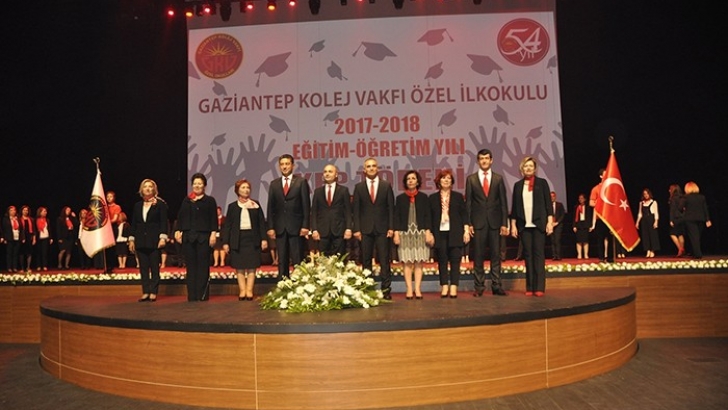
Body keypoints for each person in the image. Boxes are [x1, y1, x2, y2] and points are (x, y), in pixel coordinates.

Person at [465, 148, 509, 297]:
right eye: (481, 158)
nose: (484, 161)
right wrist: (469, 223)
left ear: (491, 160)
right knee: (478, 256)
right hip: (478, 223)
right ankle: (479, 286)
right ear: (478, 161)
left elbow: (503, 202)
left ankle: (496, 286)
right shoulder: (471, 179)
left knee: (496, 255)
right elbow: (468, 203)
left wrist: (504, 223)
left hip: (495, 222)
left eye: (486, 158)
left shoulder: (498, 178)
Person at [509, 157, 554, 297]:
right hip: (524, 225)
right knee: (528, 256)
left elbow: (548, 204)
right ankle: (530, 287)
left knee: (538, 255)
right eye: (525, 166)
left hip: (539, 224)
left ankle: (539, 287)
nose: (528, 168)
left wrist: (550, 222)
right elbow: (515, 207)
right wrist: (513, 225)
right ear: (522, 169)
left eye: (530, 166)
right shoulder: (518, 185)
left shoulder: (542, 183)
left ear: (535, 168)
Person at [352, 157, 395, 299]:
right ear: (364, 170)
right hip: (365, 229)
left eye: (373, 166)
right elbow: (356, 210)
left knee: (384, 260)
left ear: (377, 168)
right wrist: (357, 229)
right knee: (366, 260)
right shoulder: (359, 187)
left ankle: (386, 290)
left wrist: (391, 227)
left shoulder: (386, 185)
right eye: (368, 166)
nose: (371, 168)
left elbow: (391, 208)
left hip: (383, 228)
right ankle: (367, 289)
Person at [222, 179, 268, 301]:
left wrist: (264, 239)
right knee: (239, 266)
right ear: (237, 190)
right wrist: (225, 242)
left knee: (252, 265)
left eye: (248, 188)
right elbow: (228, 226)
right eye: (243, 187)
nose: (246, 190)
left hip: (252, 238)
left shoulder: (255, 204)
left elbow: (261, 223)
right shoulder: (232, 206)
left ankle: (249, 290)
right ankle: (242, 290)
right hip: (238, 238)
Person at [175, 173, 218, 301]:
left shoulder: (210, 200)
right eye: (195, 183)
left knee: (203, 266)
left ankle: (202, 295)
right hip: (189, 237)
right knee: (191, 266)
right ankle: (192, 295)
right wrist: (178, 230)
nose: (197, 186)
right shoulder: (187, 200)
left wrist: (213, 233)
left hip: (203, 237)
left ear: (204, 185)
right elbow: (181, 217)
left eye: (200, 183)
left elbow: (213, 219)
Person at [267, 154, 311, 279]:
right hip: (280, 227)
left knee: (297, 258)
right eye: (282, 164)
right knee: (282, 259)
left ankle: (299, 283)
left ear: (293, 166)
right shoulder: (274, 184)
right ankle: (283, 283)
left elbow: (306, 205)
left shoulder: (301, 182)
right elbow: (270, 207)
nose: (284, 167)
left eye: (287, 164)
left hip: (296, 227)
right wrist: (270, 227)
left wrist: (305, 226)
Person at [429, 169, 469, 298]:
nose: (446, 180)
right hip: (439, 232)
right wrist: (429, 233)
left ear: (452, 182)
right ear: (438, 181)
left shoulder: (458, 196)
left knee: (455, 260)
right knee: (442, 260)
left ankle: (454, 286)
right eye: (443, 178)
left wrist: (466, 230)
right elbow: (429, 218)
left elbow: (464, 214)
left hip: (455, 232)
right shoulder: (433, 198)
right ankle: (444, 285)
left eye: (449, 178)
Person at [393, 170, 433, 299]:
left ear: (417, 181)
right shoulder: (400, 198)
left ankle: (418, 289)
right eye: (408, 179)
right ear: (405, 182)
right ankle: (409, 289)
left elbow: (428, 216)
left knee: (419, 262)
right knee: (407, 262)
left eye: (413, 178)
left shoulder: (424, 197)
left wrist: (428, 232)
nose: (410, 181)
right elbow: (396, 217)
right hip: (405, 233)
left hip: (420, 233)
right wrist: (396, 233)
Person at [129, 179, 169, 302]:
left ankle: (154, 291)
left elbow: (163, 222)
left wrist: (163, 237)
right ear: (141, 190)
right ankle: (145, 291)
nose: (147, 188)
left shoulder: (160, 204)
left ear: (154, 189)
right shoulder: (137, 205)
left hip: (154, 240)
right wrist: (132, 239)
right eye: (145, 186)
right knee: (143, 268)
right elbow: (134, 224)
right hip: (141, 240)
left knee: (154, 267)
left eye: (150, 186)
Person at [310, 164, 352, 257]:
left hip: (339, 230)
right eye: (325, 172)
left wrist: (348, 228)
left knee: (339, 260)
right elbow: (314, 212)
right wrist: (314, 229)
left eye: (330, 171)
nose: (327, 174)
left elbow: (348, 211)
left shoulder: (343, 190)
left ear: (336, 175)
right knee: (323, 260)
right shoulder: (318, 191)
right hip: (322, 232)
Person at [590, 168, 614, 262]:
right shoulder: (596, 189)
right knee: (600, 239)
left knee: (610, 238)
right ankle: (601, 258)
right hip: (600, 218)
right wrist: (601, 203)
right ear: (601, 176)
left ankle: (610, 258)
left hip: (610, 218)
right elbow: (591, 203)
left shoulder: (611, 188)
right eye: (605, 174)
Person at [682, 181, 711, 259]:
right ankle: (694, 252)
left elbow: (680, 207)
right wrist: (708, 219)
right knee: (697, 236)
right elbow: (705, 209)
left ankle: (697, 254)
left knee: (694, 236)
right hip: (701, 218)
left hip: (690, 219)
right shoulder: (702, 197)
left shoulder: (686, 197)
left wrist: (684, 208)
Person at [634, 188, 660, 258]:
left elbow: (656, 213)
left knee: (652, 235)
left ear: (649, 194)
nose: (646, 195)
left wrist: (656, 221)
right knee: (645, 235)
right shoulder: (641, 203)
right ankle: (647, 250)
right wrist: (637, 222)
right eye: (644, 194)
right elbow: (640, 213)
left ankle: (652, 250)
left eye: (647, 194)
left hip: (651, 219)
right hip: (644, 220)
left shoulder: (653, 202)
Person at [2, 206, 22, 273]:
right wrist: (4, 238)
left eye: (14, 210)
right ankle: (9, 267)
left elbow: (21, 228)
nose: (13, 211)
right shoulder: (6, 219)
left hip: (17, 237)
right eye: (11, 210)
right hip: (9, 238)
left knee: (16, 253)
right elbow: (4, 229)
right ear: (8, 211)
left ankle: (14, 267)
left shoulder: (17, 218)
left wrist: (22, 237)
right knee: (9, 253)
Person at [668, 183, 686, 257]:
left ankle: (680, 249)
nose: (669, 190)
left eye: (670, 189)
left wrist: (671, 220)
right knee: (680, 234)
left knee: (672, 234)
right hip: (682, 218)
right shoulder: (683, 197)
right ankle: (681, 251)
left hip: (676, 218)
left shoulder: (673, 198)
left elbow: (672, 210)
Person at [572, 193, 591, 259]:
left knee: (585, 240)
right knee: (579, 240)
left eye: (582, 198)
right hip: (578, 225)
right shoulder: (576, 207)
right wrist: (574, 226)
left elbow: (590, 217)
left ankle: (586, 254)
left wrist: (590, 226)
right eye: (579, 198)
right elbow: (574, 217)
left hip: (586, 225)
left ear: (585, 199)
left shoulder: (588, 207)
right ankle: (579, 254)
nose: (580, 200)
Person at [35, 207, 53, 271]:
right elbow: (35, 229)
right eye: (44, 211)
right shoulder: (36, 220)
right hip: (39, 237)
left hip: (46, 237)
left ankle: (45, 265)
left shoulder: (47, 220)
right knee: (38, 252)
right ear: (40, 212)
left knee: (45, 252)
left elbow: (49, 229)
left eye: (46, 211)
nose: (45, 213)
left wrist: (51, 238)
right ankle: (38, 266)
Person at [549, 192, 566, 260]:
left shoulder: (559, 205)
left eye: (553, 196)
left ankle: (558, 255)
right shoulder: (548, 205)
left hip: (558, 225)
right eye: (550, 196)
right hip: (550, 224)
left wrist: (557, 222)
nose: (552, 198)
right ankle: (554, 256)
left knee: (557, 240)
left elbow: (562, 214)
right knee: (552, 240)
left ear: (555, 197)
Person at [19, 205, 36, 273]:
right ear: (21, 211)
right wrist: (22, 238)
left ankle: (28, 267)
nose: (26, 211)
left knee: (29, 252)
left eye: (27, 210)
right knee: (22, 253)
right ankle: (22, 268)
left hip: (29, 237)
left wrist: (34, 238)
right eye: (24, 210)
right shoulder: (19, 219)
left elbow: (34, 230)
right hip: (21, 237)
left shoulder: (31, 219)